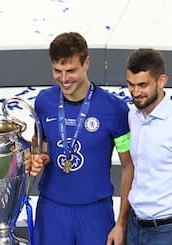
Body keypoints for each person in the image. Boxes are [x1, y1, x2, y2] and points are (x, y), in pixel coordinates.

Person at [24, 32, 134, 245]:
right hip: (52, 211)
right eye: (58, 71)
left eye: (71, 70)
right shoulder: (44, 102)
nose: (64, 79)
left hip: (95, 213)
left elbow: (129, 166)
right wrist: (36, 158)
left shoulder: (115, 109)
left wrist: (121, 222)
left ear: (86, 63)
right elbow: (40, 147)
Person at [125, 48, 172, 244]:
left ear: (162, 81)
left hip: (165, 231)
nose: (135, 92)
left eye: (143, 85)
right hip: (134, 225)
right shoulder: (133, 115)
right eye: (130, 85)